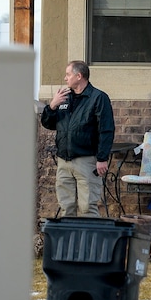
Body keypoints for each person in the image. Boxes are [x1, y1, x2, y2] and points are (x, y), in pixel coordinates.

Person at [40, 60, 115, 217]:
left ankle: (88, 234)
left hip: (86, 161)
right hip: (64, 161)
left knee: (87, 207)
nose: (65, 78)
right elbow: (48, 124)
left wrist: (102, 158)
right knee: (66, 207)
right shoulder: (64, 98)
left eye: (68, 74)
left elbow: (106, 130)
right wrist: (52, 106)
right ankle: (69, 234)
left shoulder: (98, 98)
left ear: (79, 76)